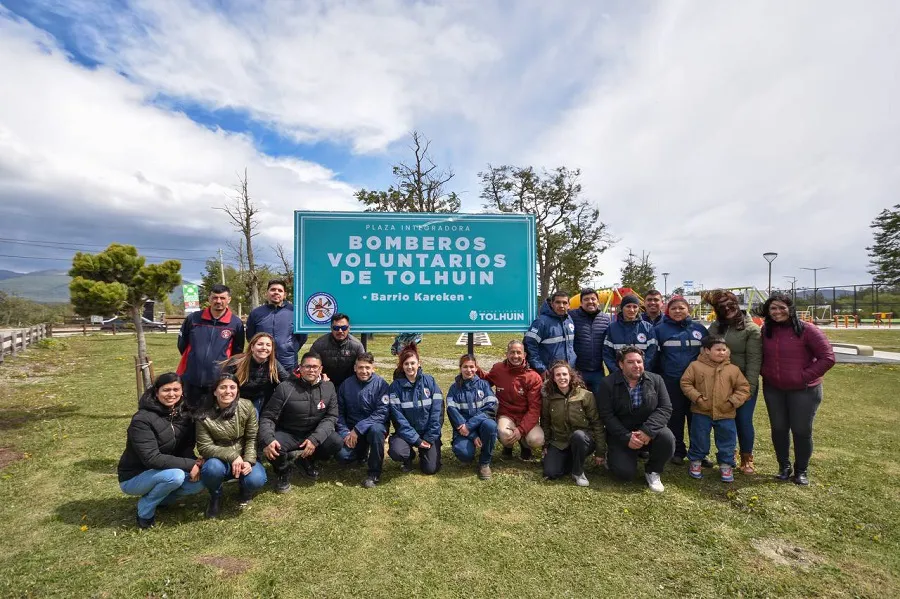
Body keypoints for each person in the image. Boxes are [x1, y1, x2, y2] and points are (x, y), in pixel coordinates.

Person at [758, 293, 835, 485]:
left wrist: (802, 377)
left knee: (801, 430)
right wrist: (764, 372)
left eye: (781, 308)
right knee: (779, 428)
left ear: (790, 309)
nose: (777, 312)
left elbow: (827, 358)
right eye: (773, 308)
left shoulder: (808, 330)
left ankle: (801, 470)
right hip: (774, 389)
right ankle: (783, 466)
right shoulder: (766, 330)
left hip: (804, 390)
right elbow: (759, 356)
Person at [117, 373, 205, 528]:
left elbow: (185, 447)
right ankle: (145, 510)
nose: (171, 394)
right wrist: (189, 464)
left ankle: (160, 498)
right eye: (166, 390)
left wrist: (194, 465)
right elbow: (151, 458)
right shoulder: (142, 419)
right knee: (175, 477)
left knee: (198, 483)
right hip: (135, 476)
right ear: (156, 392)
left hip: (164, 470)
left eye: (176, 389)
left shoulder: (183, 414)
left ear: (182, 391)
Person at [259, 352, 343, 492]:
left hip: (313, 432)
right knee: (274, 446)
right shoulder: (285, 388)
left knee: (336, 442)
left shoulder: (329, 387)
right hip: (289, 432)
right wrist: (268, 438)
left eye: (315, 367)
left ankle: (306, 460)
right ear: (300, 368)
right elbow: (268, 417)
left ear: (321, 369)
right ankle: (283, 471)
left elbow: (331, 417)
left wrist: (315, 439)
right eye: (307, 366)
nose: (311, 370)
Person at [595, 347, 675, 493]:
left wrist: (647, 431)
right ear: (621, 364)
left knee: (667, 438)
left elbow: (665, 408)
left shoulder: (656, 380)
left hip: (647, 432)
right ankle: (614, 456)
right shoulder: (607, 384)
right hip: (621, 433)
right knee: (624, 474)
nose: (636, 365)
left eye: (639, 361)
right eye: (630, 362)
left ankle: (652, 471)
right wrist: (626, 437)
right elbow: (606, 415)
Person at [705, 290, 762, 474]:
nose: (727, 309)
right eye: (722, 307)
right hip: (720, 382)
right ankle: (730, 454)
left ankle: (747, 457)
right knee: (725, 420)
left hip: (742, 382)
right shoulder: (716, 327)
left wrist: (750, 388)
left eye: (731, 305)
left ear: (737, 305)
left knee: (743, 420)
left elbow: (754, 360)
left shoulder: (751, 329)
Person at [680, 335, 751, 482]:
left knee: (727, 440)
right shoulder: (695, 366)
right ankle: (696, 461)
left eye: (724, 350)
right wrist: (698, 398)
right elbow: (686, 383)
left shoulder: (733, 369)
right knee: (699, 438)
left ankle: (726, 464)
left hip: (726, 413)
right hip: (701, 411)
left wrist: (732, 402)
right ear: (706, 350)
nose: (721, 353)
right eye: (717, 350)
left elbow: (743, 388)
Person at [195, 373, 266, 518]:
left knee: (256, 479)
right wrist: (232, 456)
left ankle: (244, 487)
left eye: (232, 387)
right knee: (211, 469)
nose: (228, 391)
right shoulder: (203, 415)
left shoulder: (247, 406)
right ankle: (216, 495)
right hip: (219, 459)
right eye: (223, 387)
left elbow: (252, 436)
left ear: (237, 391)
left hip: (244, 454)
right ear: (215, 391)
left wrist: (249, 460)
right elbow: (204, 447)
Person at [654, 295, 708, 465]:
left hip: (696, 384)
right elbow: (655, 357)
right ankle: (677, 451)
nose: (678, 311)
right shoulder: (660, 330)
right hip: (671, 381)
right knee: (675, 417)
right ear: (667, 311)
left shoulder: (700, 329)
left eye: (681, 308)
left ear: (688, 310)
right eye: (674, 308)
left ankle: (698, 452)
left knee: (697, 418)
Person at [177, 284, 245, 410]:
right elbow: (182, 344)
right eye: (215, 297)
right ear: (209, 299)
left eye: (222, 298)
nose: (218, 301)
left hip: (217, 381)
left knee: (212, 417)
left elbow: (237, 352)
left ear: (229, 299)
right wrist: (195, 359)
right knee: (188, 415)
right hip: (191, 378)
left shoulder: (236, 323)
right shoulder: (193, 318)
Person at [540, 361, 605, 486]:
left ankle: (578, 472)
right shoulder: (548, 398)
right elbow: (545, 421)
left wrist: (600, 452)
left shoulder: (585, 395)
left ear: (570, 376)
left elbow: (597, 423)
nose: (562, 378)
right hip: (559, 441)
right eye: (558, 375)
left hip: (583, 439)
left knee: (578, 436)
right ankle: (570, 460)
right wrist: (545, 445)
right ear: (553, 378)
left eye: (564, 374)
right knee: (551, 472)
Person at [336, 352, 390, 488]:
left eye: (367, 367)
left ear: (373, 368)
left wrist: (358, 428)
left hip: (373, 427)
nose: (364, 371)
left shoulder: (382, 385)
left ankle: (374, 473)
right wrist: (345, 433)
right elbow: (339, 413)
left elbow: (382, 412)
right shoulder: (345, 385)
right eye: (360, 367)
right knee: (342, 457)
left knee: (377, 430)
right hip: (351, 431)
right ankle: (361, 453)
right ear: (355, 368)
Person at [483, 340, 545, 460]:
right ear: (506, 354)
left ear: (524, 355)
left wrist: (521, 430)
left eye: (518, 353)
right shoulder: (498, 369)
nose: (515, 356)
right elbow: (486, 381)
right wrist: (473, 369)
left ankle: (525, 445)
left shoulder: (533, 377)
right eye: (512, 352)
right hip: (506, 415)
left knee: (537, 439)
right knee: (505, 434)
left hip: (525, 416)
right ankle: (508, 447)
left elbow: (534, 408)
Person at [387, 345, 444, 475]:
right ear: (401, 366)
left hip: (428, 434)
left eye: (413, 363)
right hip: (406, 434)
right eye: (406, 364)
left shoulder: (430, 381)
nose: (410, 367)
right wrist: (416, 440)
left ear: (419, 364)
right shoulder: (395, 387)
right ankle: (408, 456)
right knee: (397, 452)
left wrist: (429, 438)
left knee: (430, 469)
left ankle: (429, 451)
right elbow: (398, 419)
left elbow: (437, 413)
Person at [446, 354, 498, 480]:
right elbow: (452, 412)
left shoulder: (484, 385)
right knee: (464, 454)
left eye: (472, 367)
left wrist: (470, 426)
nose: (469, 370)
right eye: (465, 367)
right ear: (460, 368)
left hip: (478, 426)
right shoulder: (454, 389)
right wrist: (472, 434)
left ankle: (485, 462)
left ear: (476, 368)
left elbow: (491, 408)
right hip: (463, 430)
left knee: (490, 425)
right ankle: (470, 448)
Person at [221, 332, 292, 416]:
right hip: (236, 398)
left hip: (258, 399)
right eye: (260, 344)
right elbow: (223, 383)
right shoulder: (237, 362)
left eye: (268, 345)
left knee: (254, 415)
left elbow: (288, 381)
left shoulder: (273, 364)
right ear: (252, 347)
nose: (264, 348)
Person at [245, 279, 307, 373]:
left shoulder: (295, 312)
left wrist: (290, 349)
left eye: (280, 290)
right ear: (267, 293)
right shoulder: (256, 313)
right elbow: (251, 337)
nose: (276, 292)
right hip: (262, 362)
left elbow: (302, 337)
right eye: (273, 289)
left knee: (287, 387)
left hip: (287, 362)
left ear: (285, 295)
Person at [569, 288, 611, 394]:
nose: (590, 301)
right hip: (578, 370)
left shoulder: (605, 319)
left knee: (599, 402)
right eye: (586, 299)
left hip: (598, 370)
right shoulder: (572, 316)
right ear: (581, 302)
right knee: (578, 402)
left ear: (598, 301)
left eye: (593, 299)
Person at [523, 290, 576, 375]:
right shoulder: (541, 322)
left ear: (569, 305)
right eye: (558, 302)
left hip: (568, 372)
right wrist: (541, 368)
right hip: (549, 373)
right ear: (552, 304)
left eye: (564, 303)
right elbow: (529, 346)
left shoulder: (569, 320)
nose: (561, 306)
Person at [603, 294, 657, 374]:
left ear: (638, 308)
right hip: (618, 376)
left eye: (635, 307)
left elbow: (652, 353)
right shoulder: (612, 328)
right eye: (628, 306)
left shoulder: (648, 327)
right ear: (622, 308)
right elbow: (607, 354)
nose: (632, 310)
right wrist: (618, 372)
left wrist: (640, 371)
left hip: (642, 375)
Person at [310, 313, 366, 390]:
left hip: (350, 385)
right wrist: (320, 376)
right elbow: (310, 365)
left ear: (349, 328)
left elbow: (364, 366)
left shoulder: (357, 345)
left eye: (344, 327)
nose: (340, 331)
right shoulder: (319, 344)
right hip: (324, 384)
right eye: (336, 328)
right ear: (331, 328)